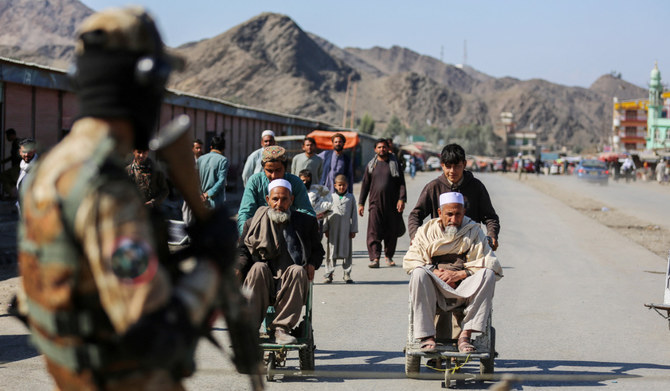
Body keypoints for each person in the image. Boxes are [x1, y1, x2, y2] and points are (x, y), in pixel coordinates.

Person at [15, 7, 223, 390]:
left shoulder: (52, 169)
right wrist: (211, 266)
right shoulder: (107, 190)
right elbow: (152, 333)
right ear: (144, 85)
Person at [403, 192, 503, 353]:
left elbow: (490, 261)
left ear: (463, 212)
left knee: (488, 274)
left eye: (458, 214)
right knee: (418, 273)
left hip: (464, 289)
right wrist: (435, 273)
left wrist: (458, 275)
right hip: (435, 288)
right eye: (449, 214)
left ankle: (465, 334)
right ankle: (427, 336)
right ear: (440, 213)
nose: (454, 220)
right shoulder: (426, 231)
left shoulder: (474, 231)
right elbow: (410, 260)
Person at [238, 179, 324, 344]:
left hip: (290, 283)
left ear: (291, 200)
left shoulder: (305, 222)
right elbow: (242, 251)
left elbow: (318, 251)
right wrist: (237, 268)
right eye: (275, 199)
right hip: (263, 282)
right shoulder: (252, 223)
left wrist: (312, 263)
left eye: (284, 199)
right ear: (267, 199)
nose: (279, 204)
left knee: (298, 270)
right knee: (257, 267)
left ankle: (281, 329)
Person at [408, 144, 500, 249]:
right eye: (448, 166)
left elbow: (490, 217)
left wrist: (492, 235)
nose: (452, 171)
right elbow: (415, 215)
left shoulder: (476, 187)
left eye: (457, 166)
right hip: (440, 247)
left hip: (471, 246)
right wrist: (415, 236)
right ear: (442, 165)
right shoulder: (433, 187)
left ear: (464, 164)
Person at [237, 145, 315, 234]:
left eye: (278, 170)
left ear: (285, 168)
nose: (274, 176)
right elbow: (245, 213)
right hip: (260, 232)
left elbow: (307, 211)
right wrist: (244, 235)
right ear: (263, 168)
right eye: (269, 171)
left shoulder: (295, 182)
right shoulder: (255, 182)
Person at [358, 139, 406, 268]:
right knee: (374, 231)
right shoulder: (371, 165)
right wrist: (361, 203)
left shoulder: (395, 164)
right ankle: (375, 258)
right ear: (375, 149)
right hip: (375, 204)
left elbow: (401, 183)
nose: (382, 149)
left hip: (392, 204)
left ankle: (388, 256)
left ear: (388, 148)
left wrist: (402, 199)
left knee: (391, 231)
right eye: (379, 147)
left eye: (384, 147)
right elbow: (365, 185)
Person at [322, 174, 358, 283]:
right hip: (333, 229)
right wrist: (325, 228)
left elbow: (354, 215)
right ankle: (329, 273)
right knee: (331, 252)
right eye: (339, 185)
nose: (341, 187)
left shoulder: (350, 198)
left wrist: (353, 229)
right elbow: (326, 214)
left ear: (347, 185)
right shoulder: (331, 197)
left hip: (345, 230)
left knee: (347, 251)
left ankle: (347, 273)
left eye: (343, 185)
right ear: (335, 185)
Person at [197, 135, 229, 208]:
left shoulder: (200, 159)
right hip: (215, 202)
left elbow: (195, 179)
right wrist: (208, 194)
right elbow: (222, 181)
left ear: (211, 147)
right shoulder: (223, 160)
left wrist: (201, 195)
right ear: (223, 148)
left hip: (201, 200)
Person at [15, 138, 38, 214]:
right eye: (24, 152)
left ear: (34, 151)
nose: (26, 155)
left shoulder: (40, 166)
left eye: (29, 152)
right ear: (20, 152)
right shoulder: (23, 166)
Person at [1, 128, 21, 199]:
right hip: (16, 167)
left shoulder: (17, 143)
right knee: (9, 181)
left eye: (8, 136)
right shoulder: (15, 143)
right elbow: (13, 156)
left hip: (17, 167)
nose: (7, 138)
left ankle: (12, 193)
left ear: (12, 135)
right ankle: (12, 193)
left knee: (3, 176)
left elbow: (16, 156)